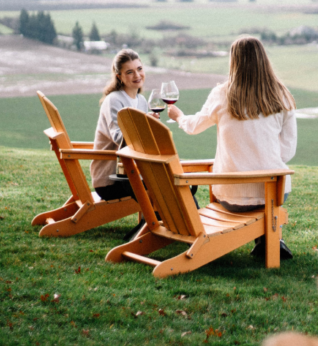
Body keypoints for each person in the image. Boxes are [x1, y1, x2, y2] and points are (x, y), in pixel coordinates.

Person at [167, 35, 297, 259]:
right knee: (265, 201)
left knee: (248, 199)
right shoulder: (282, 95)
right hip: (274, 192)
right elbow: (287, 151)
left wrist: (178, 116)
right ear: (264, 59)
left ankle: (266, 241)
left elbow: (194, 126)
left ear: (234, 61)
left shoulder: (222, 94)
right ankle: (271, 240)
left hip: (231, 196)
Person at [92, 49, 150, 204]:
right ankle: (161, 225)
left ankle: (191, 224)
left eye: (139, 69)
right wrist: (144, 125)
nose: (137, 75)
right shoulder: (114, 100)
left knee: (173, 183)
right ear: (119, 76)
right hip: (111, 180)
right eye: (130, 72)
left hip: (135, 173)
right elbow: (118, 137)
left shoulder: (142, 101)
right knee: (163, 187)